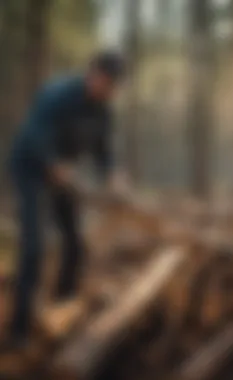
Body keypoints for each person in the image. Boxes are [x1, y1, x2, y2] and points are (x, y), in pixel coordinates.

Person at [4, 51, 126, 349]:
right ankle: (18, 329)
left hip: (63, 176)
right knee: (34, 247)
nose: (107, 89)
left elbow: (103, 150)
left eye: (113, 86)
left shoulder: (103, 111)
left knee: (74, 243)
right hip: (31, 168)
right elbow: (35, 133)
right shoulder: (58, 94)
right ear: (92, 72)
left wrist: (113, 176)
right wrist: (52, 164)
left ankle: (62, 308)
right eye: (104, 81)